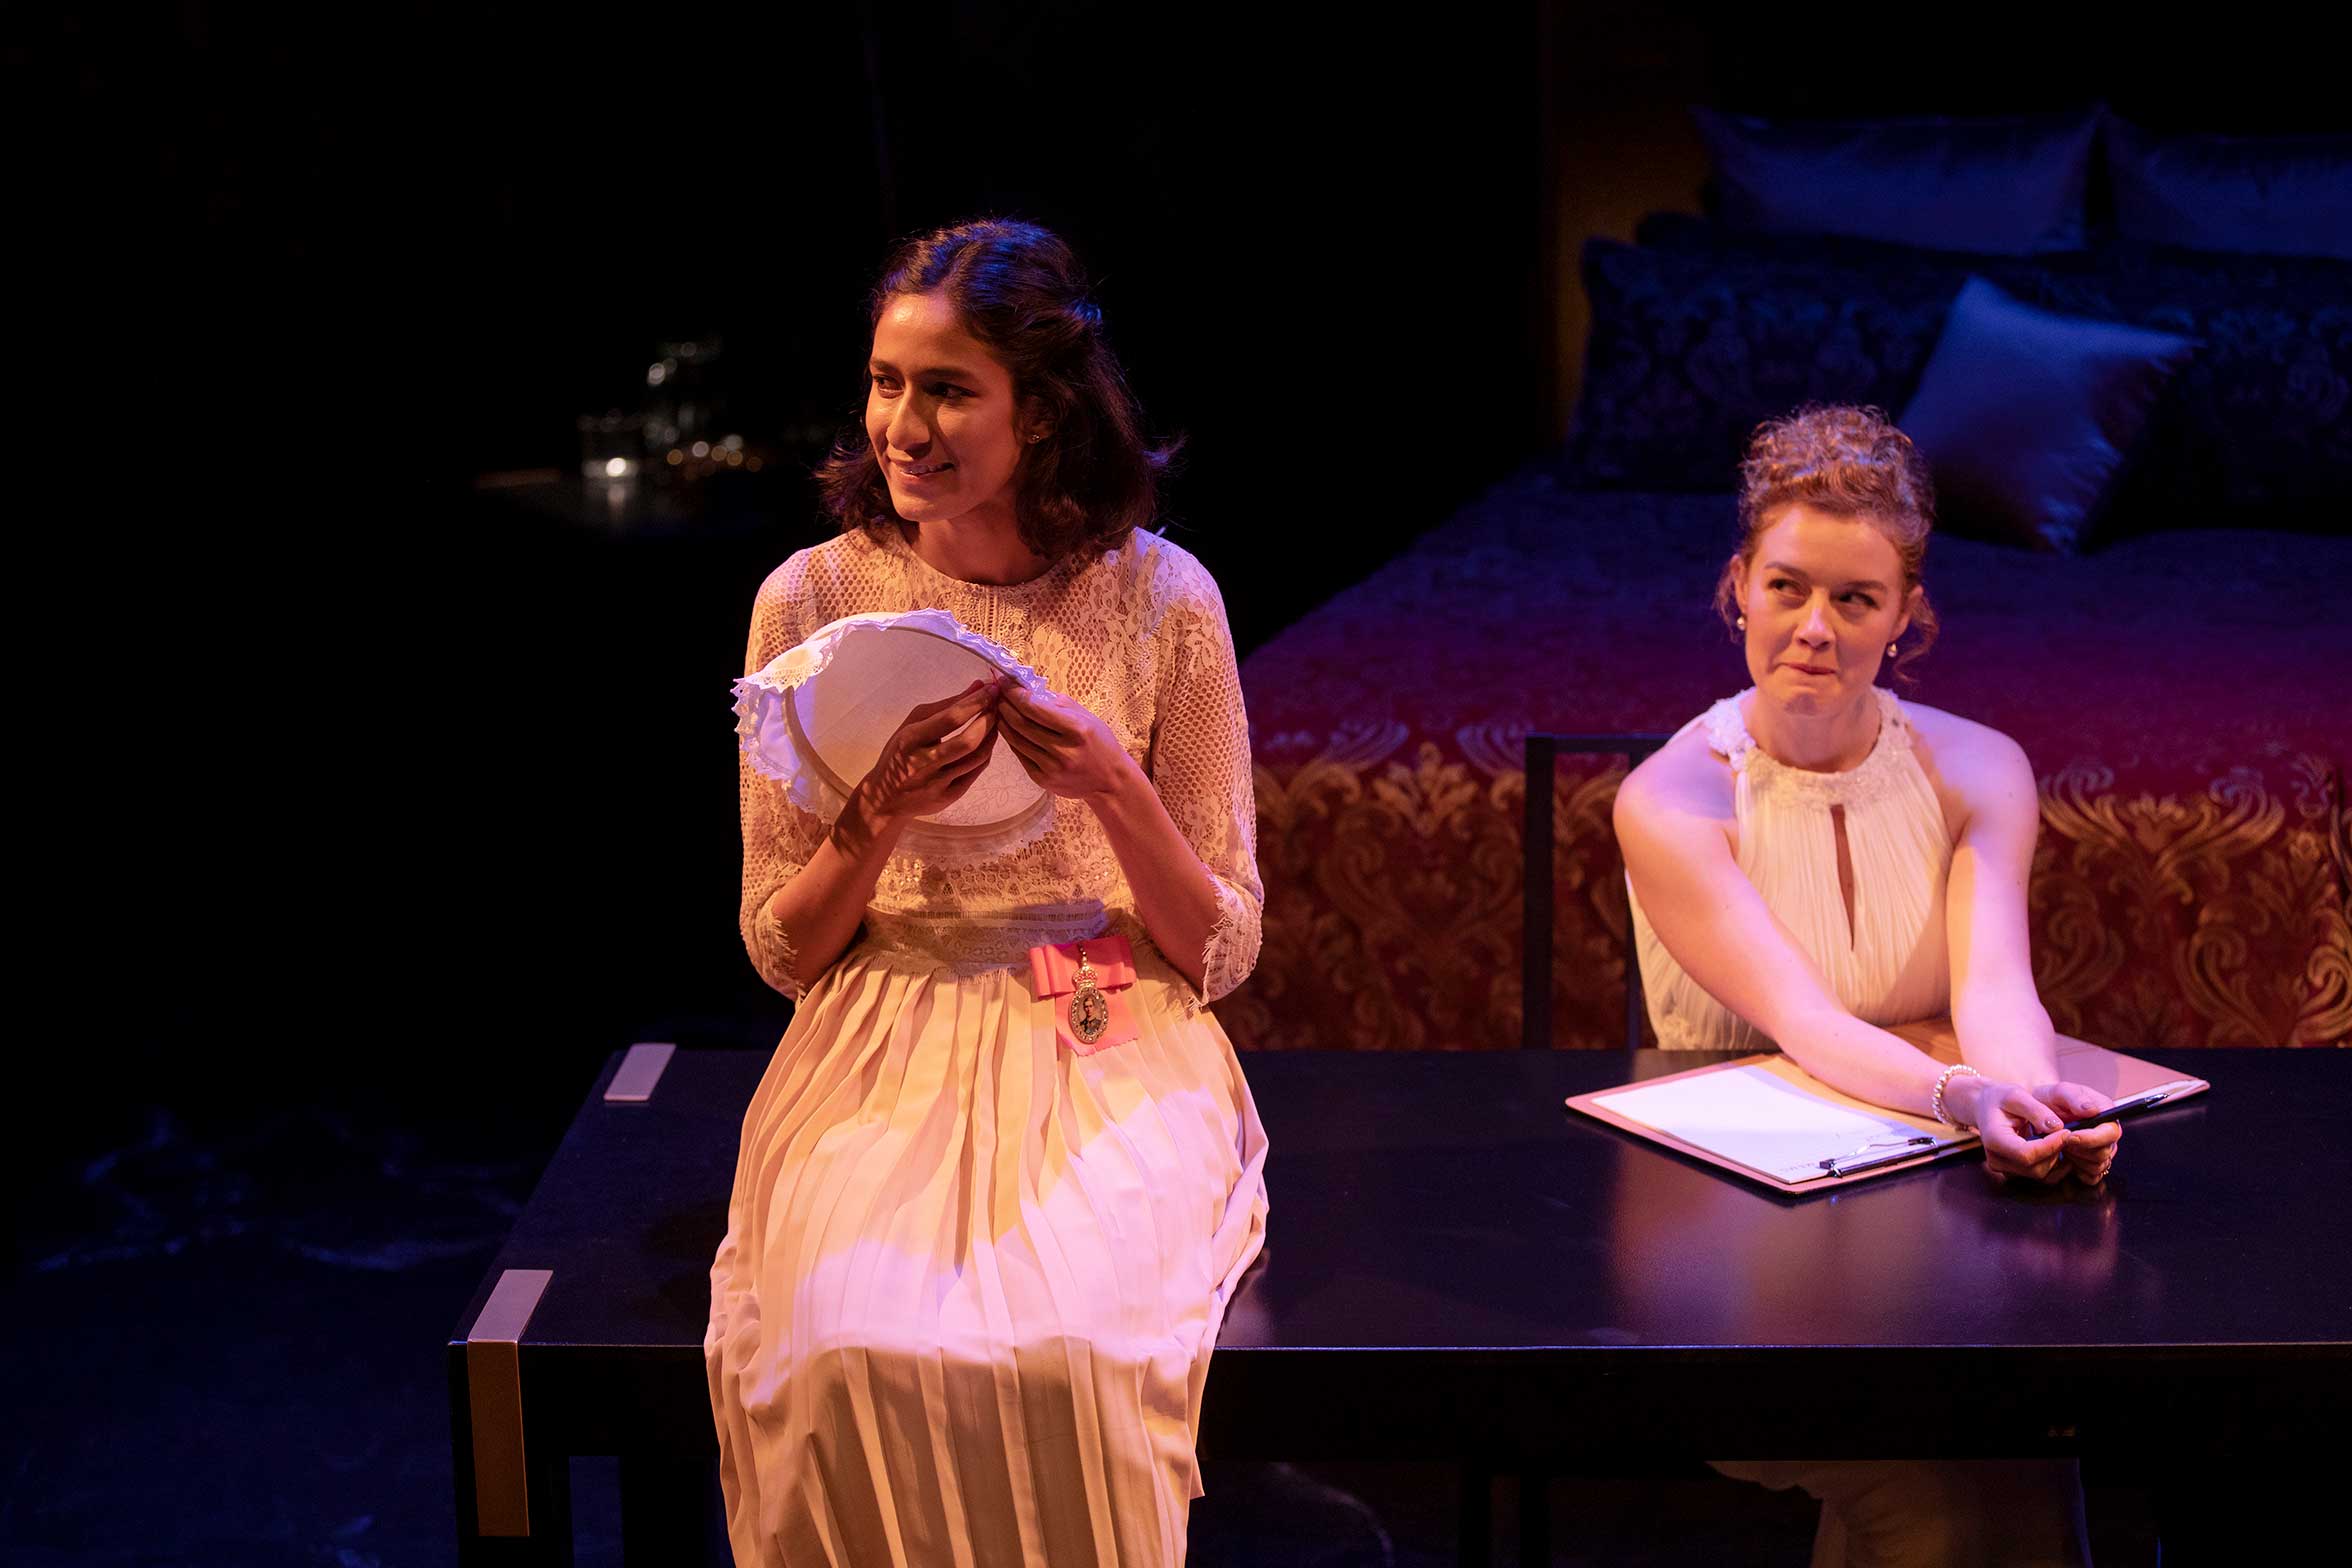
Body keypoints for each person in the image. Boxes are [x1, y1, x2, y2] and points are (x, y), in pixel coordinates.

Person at [704, 219, 1268, 1568]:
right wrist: (877, 815)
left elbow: (1224, 947)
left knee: (1074, 1353)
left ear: (1048, 411)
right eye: (889, 382)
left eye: (950, 389)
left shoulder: (1162, 601)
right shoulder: (813, 601)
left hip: (1102, 1018)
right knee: (843, 1351)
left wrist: (1115, 791)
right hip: (884, 1029)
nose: (906, 423)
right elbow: (781, 948)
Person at [1613, 405, 2119, 1567]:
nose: (1814, 628)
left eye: (1855, 598)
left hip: (1926, 1206)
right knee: (1931, 1491)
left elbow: (1998, 987)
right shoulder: (1672, 798)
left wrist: (2035, 1101)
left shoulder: (1980, 765)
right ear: (1737, 584)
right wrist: (1964, 1093)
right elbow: (1804, 1020)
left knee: (2036, 1455)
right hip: (1733, 1225)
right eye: (1788, 587)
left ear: (1908, 616)